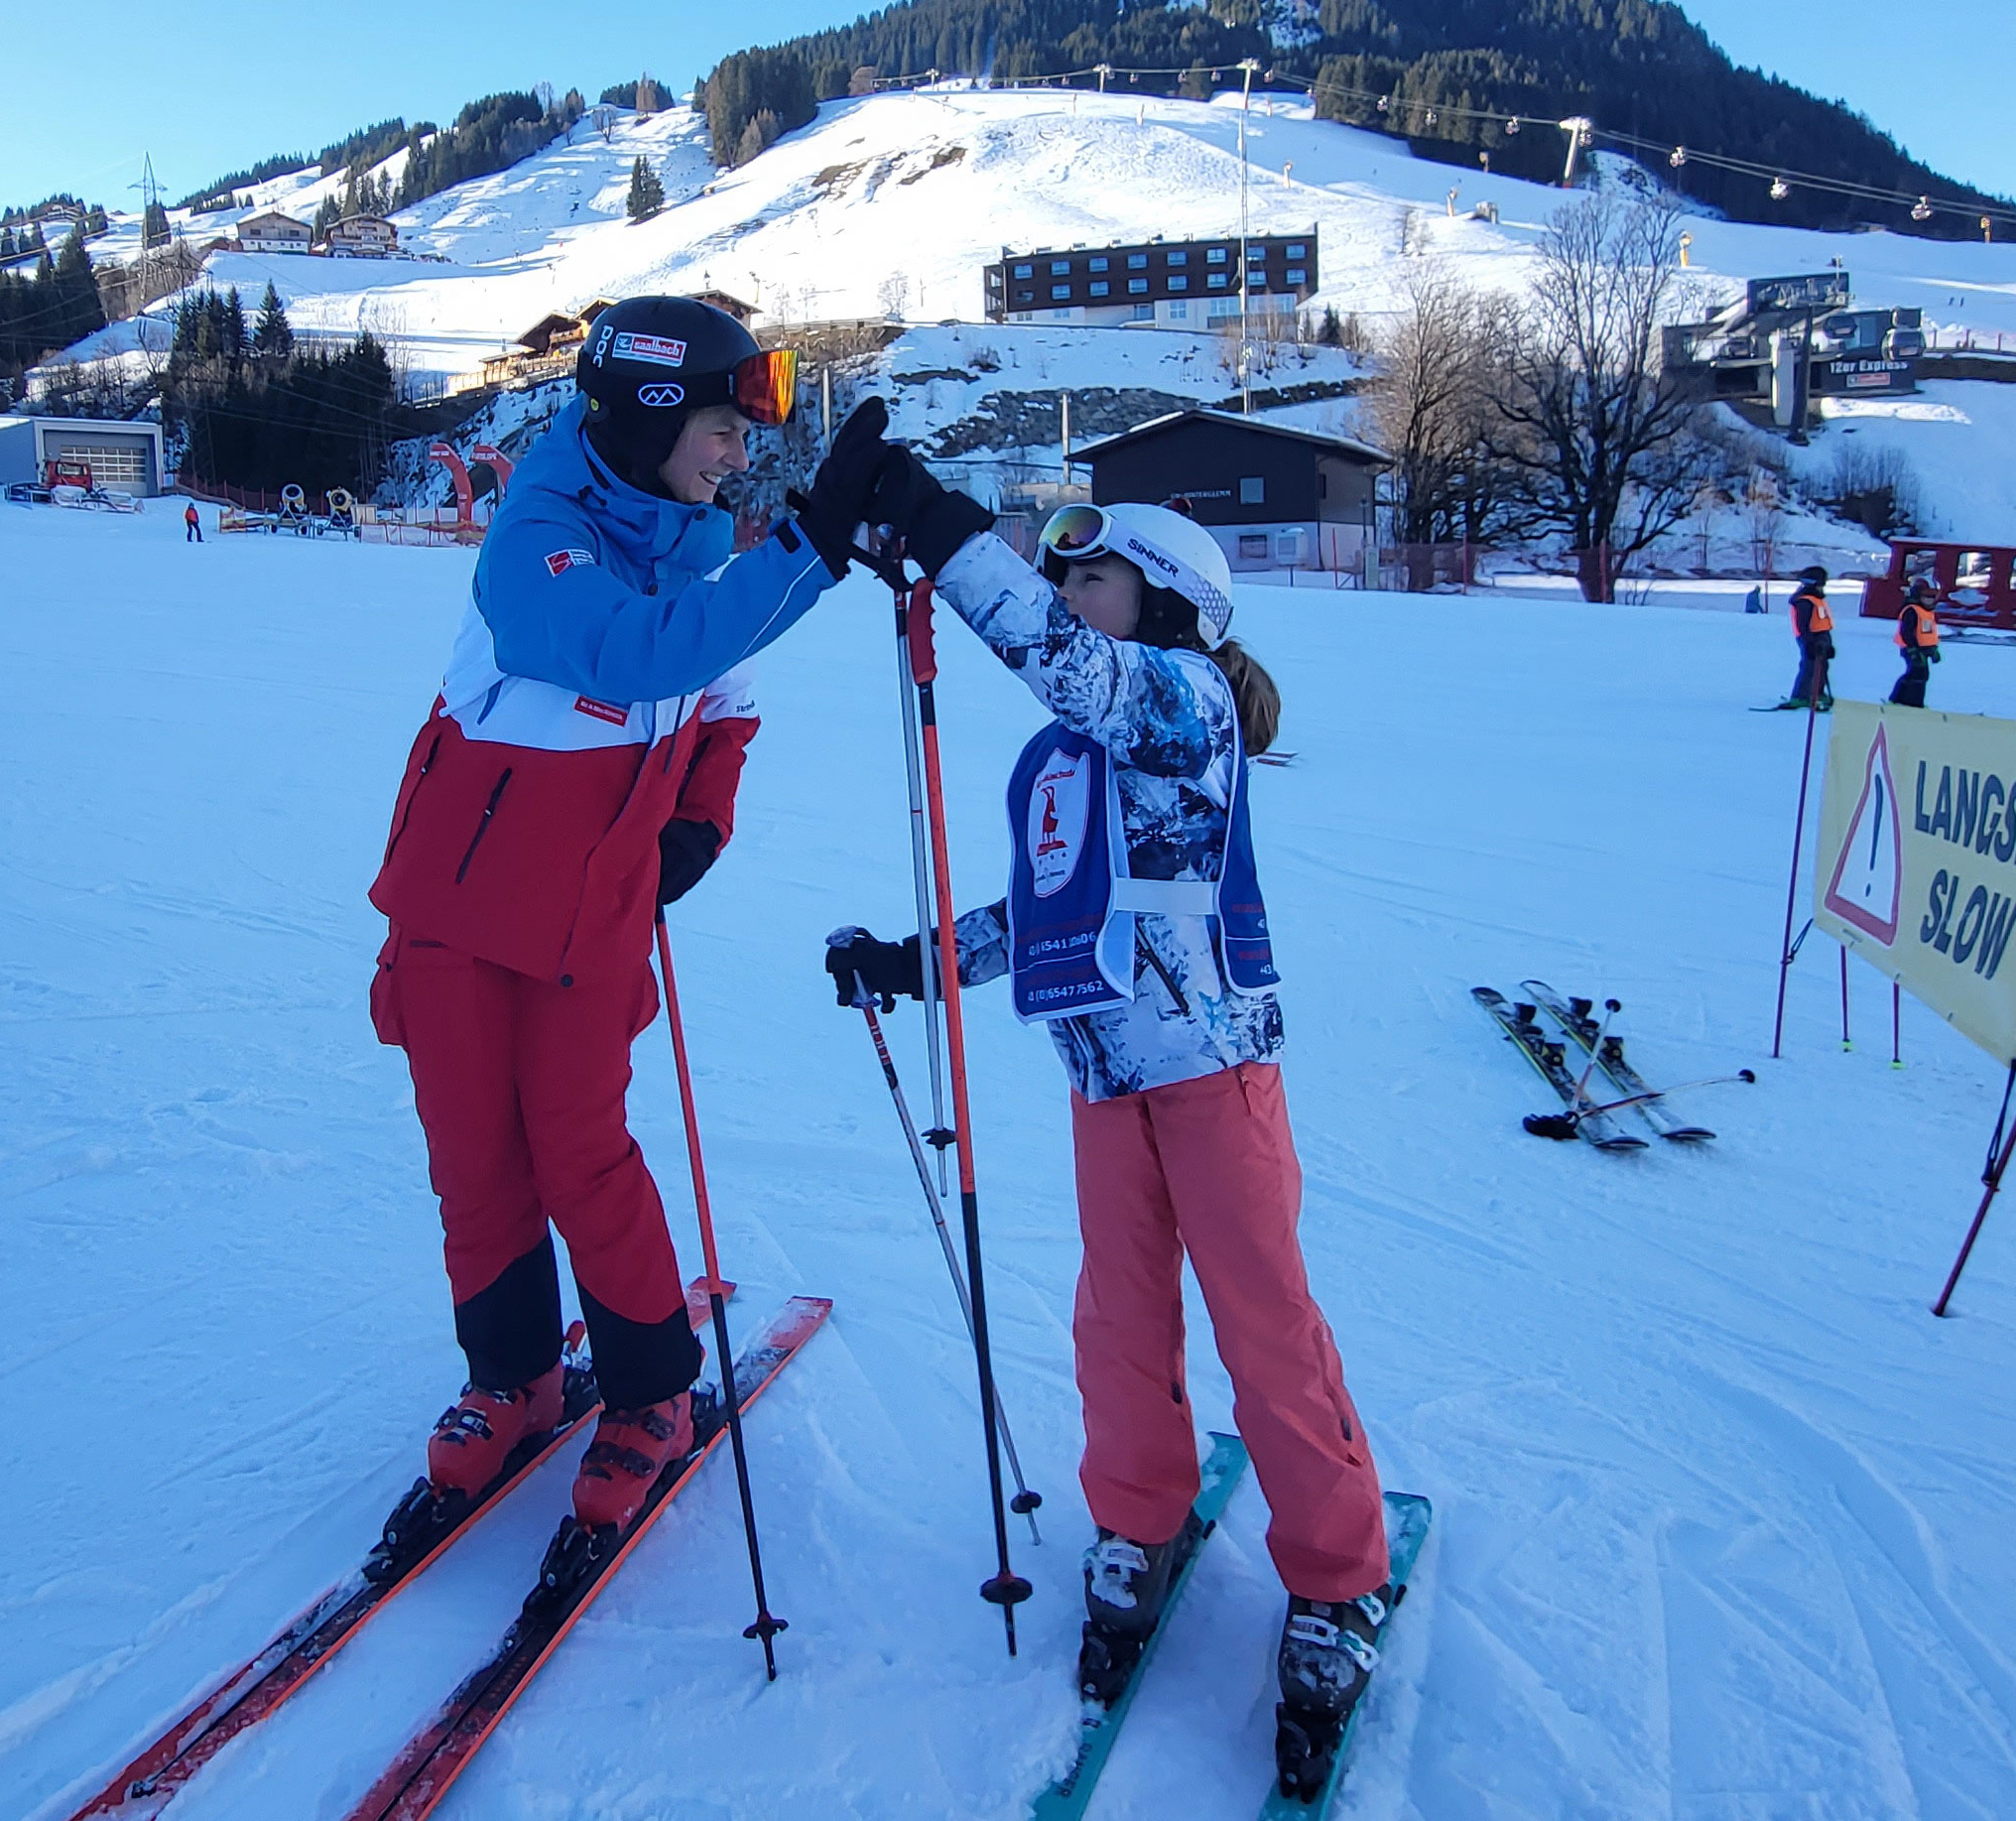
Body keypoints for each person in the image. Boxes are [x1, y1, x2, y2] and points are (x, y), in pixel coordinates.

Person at [822, 481, 1399, 1776]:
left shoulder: (1183, 701)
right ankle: (1139, 1518)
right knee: (1117, 1319)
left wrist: (948, 538)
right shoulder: (1078, 759)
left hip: (1215, 1076)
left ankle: (1338, 1571)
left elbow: (1069, 667)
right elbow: (1048, 909)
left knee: (1264, 1324)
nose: (1069, 597)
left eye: (1093, 579)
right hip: (1105, 1078)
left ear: (1172, 603)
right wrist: (916, 962)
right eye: (1063, 580)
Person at [365, 297, 897, 1536]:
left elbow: (724, 696)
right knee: (474, 1155)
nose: (737, 455)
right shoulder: (536, 533)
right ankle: (512, 1376)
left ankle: (651, 1391)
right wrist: (807, 549)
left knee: (580, 1151)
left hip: (589, 912)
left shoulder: (696, 548)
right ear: (652, 417)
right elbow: (630, 651)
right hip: (454, 905)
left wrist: (698, 819)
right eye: (721, 428)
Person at [1771, 565, 1835, 710]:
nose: (1822, 587)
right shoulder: (1805, 601)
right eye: (1821, 584)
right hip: (1811, 637)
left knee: (1822, 666)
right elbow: (1803, 625)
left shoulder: (1816, 599)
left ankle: (1817, 692)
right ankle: (1800, 696)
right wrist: (1809, 643)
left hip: (1822, 635)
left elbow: (1821, 619)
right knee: (1810, 666)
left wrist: (1828, 645)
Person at [1887, 575, 1942, 708]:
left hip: (1924, 649)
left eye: (1933, 596)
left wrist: (1933, 650)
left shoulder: (1927, 612)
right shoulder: (1912, 611)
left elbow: (1927, 633)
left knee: (1922, 675)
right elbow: (1907, 632)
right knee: (1916, 673)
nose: (1931, 600)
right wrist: (1913, 649)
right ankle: (1902, 700)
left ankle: (1912, 701)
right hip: (1912, 648)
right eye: (1927, 596)